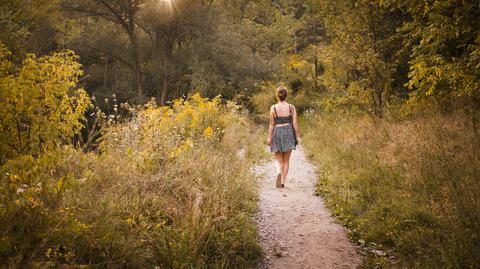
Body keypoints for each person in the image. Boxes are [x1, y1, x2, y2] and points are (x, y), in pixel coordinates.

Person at [267, 86, 300, 188]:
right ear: (286, 95)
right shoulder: (291, 107)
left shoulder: (273, 108)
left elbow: (271, 124)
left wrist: (269, 138)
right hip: (288, 132)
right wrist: (297, 136)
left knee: (278, 159)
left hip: (277, 131)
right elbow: (294, 123)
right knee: (286, 160)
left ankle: (278, 171)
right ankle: (282, 182)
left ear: (277, 95)